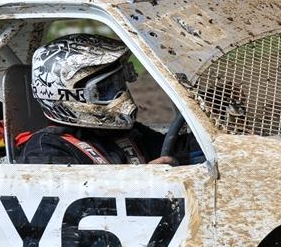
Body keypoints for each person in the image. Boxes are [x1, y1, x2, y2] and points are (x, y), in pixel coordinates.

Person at [16, 34, 196, 165]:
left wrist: (218, 113)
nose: (121, 95)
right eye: (105, 89)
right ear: (68, 95)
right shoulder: (45, 149)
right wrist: (146, 185)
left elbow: (179, 149)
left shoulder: (121, 132)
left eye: (119, 84)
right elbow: (79, 210)